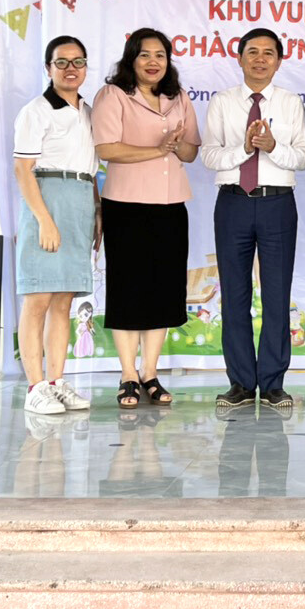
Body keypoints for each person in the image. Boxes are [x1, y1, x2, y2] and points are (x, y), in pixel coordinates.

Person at [202, 27, 305, 413]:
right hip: (232, 203)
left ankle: (274, 383)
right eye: (253, 52)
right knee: (234, 295)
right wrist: (245, 148)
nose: (260, 59)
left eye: (268, 53)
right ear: (240, 58)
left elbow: (303, 157)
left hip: (277, 204)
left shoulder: (291, 103)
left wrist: (272, 147)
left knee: (277, 294)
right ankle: (241, 384)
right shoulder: (222, 102)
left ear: (279, 61)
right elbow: (209, 155)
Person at [92, 28, 201, 409]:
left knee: (162, 290)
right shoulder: (113, 95)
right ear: (131, 59)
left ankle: (150, 373)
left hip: (171, 205)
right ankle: (127, 375)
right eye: (145, 55)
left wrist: (177, 143)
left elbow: (190, 152)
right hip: (126, 205)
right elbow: (107, 148)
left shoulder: (178, 97)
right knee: (128, 289)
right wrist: (157, 149)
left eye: (160, 55)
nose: (153, 62)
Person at [12, 36, 99, 416]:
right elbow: (23, 169)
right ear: (48, 68)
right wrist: (44, 220)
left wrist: (97, 213)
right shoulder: (36, 110)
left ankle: (56, 382)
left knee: (64, 300)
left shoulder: (88, 111)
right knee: (38, 298)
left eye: (78, 62)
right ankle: (35, 387)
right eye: (61, 62)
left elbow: (91, 168)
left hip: (81, 199)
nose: (70, 69)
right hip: (47, 198)